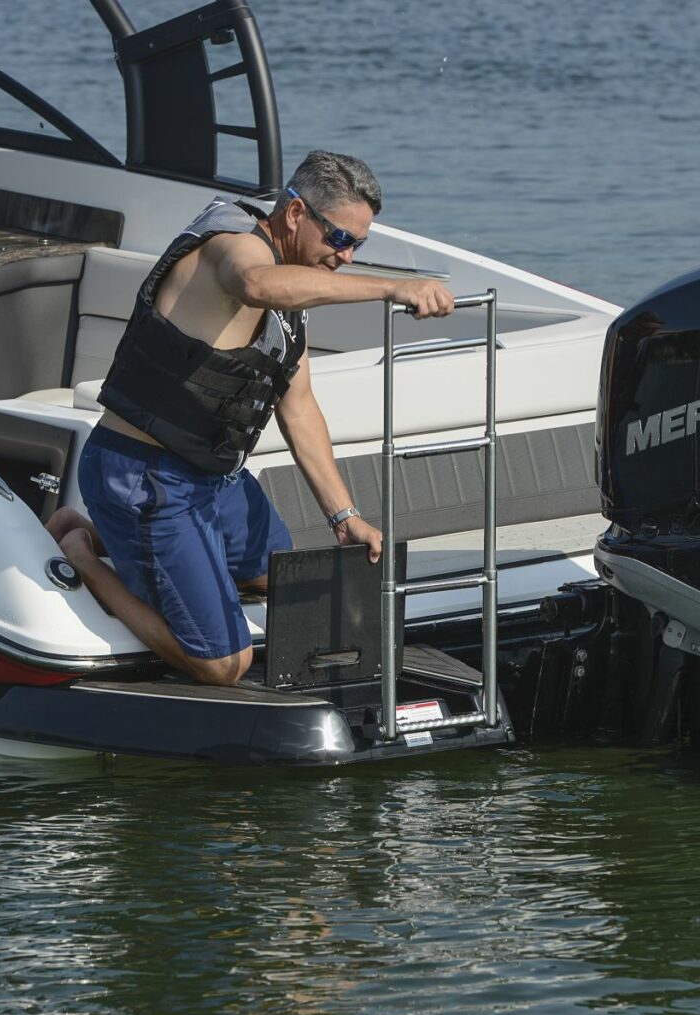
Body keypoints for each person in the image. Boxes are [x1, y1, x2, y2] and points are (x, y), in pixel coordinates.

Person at [52, 150, 455, 687]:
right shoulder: (234, 247)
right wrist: (391, 287)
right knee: (224, 664)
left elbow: (300, 407)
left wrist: (345, 517)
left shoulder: (295, 282)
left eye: (360, 245)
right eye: (339, 239)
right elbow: (255, 284)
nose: (348, 257)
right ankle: (82, 557)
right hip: (145, 477)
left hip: (211, 479)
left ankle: (106, 537)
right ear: (294, 214)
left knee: (276, 576)